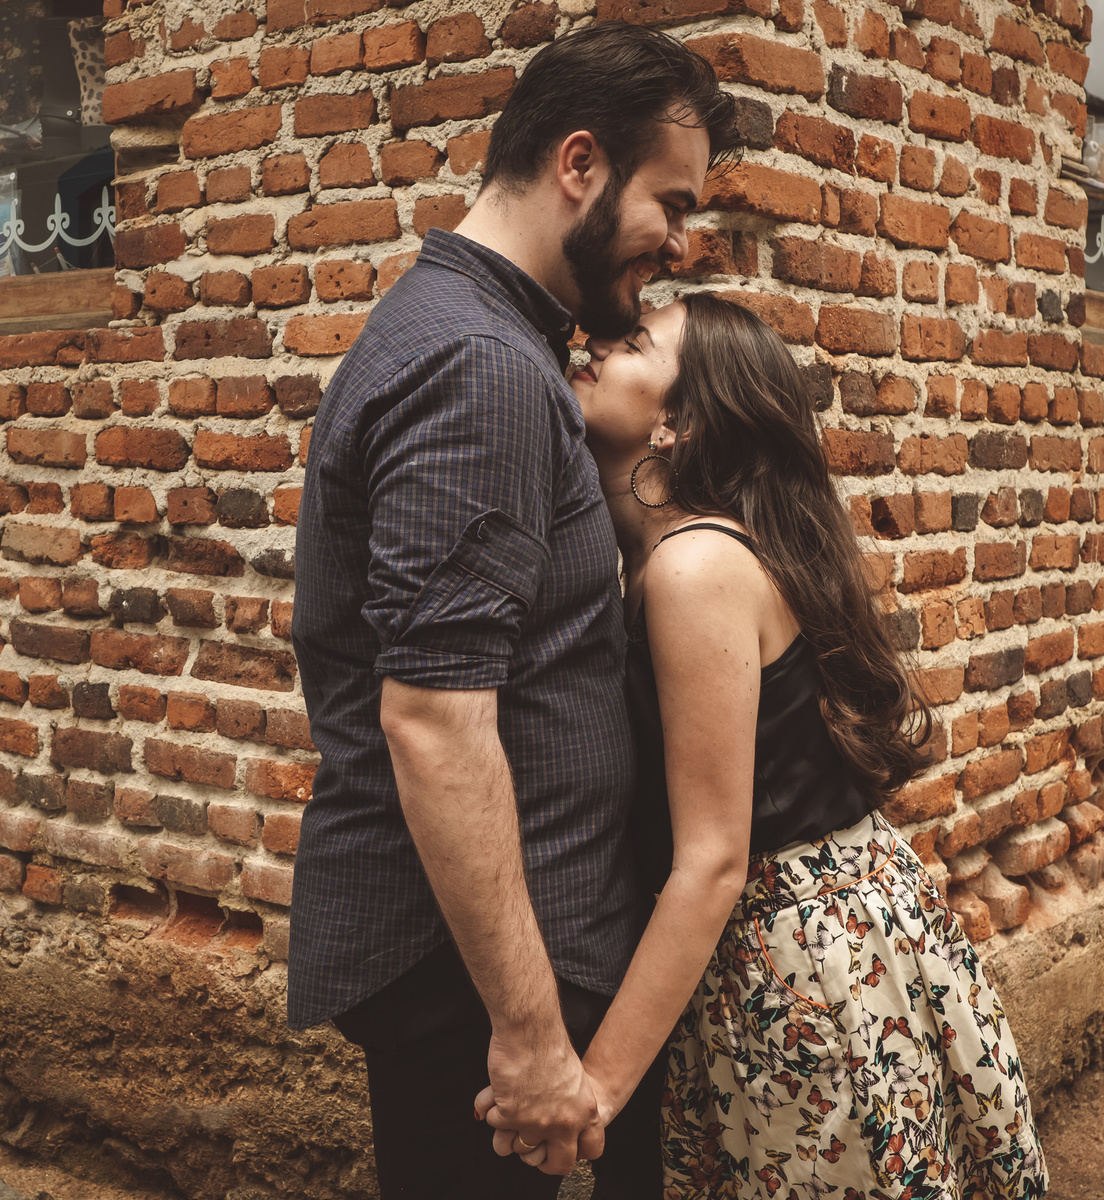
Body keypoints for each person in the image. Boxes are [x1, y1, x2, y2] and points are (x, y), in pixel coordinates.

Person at [286, 21, 740, 1200]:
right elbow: (434, 722)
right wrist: (532, 1037)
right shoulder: (480, 363)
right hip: (470, 984)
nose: (680, 244)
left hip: (495, 957)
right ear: (578, 165)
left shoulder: (501, 341)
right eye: (672, 203)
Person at [483, 293, 1049, 1199]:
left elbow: (713, 859)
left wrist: (596, 1092)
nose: (590, 345)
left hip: (801, 959)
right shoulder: (679, 556)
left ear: (681, 422)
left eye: (630, 343)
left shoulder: (694, 567)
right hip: (821, 932)